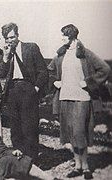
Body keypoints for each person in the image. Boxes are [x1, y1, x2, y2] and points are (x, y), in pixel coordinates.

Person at [48, 24, 111, 179]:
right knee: (71, 134)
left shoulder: (85, 54)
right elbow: (49, 72)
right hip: (65, 98)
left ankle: (86, 167)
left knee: (80, 132)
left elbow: (105, 69)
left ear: (72, 37)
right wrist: (55, 82)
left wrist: (89, 82)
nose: (61, 38)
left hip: (82, 98)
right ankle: (77, 166)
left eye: (64, 35)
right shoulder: (60, 54)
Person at [0, 22, 49, 160]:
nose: (10, 41)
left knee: (29, 125)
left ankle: (32, 159)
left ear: (18, 35)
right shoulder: (5, 52)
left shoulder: (30, 48)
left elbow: (43, 71)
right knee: (15, 127)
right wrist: (5, 58)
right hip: (12, 90)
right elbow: (1, 74)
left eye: (12, 37)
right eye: (7, 38)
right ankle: (19, 159)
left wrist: (36, 88)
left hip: (28, 89)